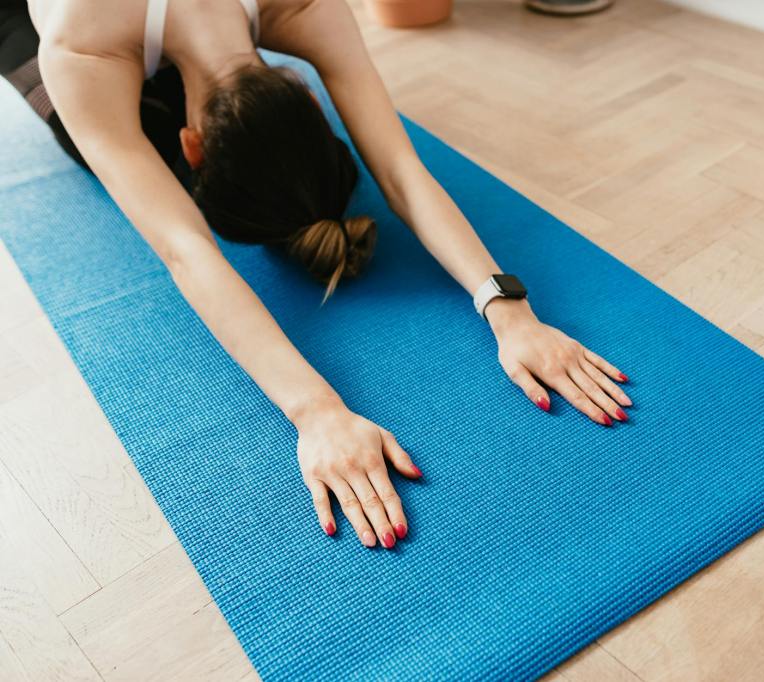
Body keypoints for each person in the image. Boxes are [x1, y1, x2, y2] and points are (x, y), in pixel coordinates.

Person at [0, 0, 632, 549]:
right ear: (307, 93)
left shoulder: (301, 7)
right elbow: (187, 252)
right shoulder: (79, 46)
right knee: (100, 144)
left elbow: (400, 171)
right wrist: (315, 411)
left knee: (242, 169)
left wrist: (509, 312)